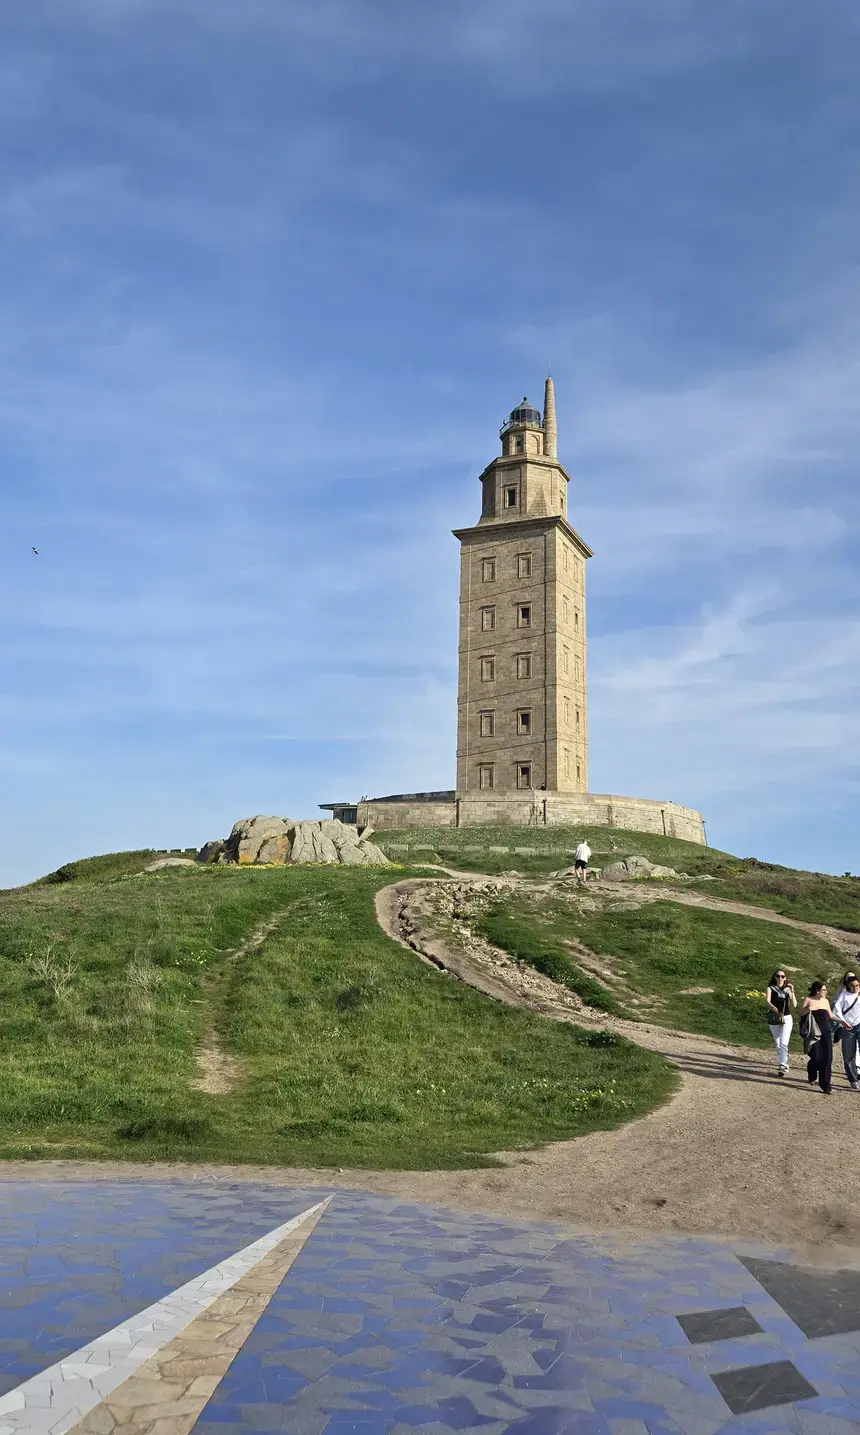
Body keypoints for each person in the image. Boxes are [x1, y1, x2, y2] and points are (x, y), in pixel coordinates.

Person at [800, 981, 834, 1094]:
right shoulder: (808, 999)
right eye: (824, 990)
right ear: (817, 991)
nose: (826, 992)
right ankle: (812, 1072)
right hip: (813, 1032)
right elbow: (801, 1012)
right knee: (816, 1057)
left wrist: (843, 1022)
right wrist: (809, 1009)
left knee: (828, 1058)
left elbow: (831, 1016)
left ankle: (826, 1085)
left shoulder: (825, 1001)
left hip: (825, 1032)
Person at [832, 971, 860, 1090]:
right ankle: (853, 1079)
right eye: (853, 986)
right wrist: (843, 1022)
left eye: (857, 985)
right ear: (848, 985)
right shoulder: (844, 995)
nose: (856, 988)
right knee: (849, 1054)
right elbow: (837, 1010)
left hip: (859, 1024)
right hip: (848, 1027)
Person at [766, 969, 796, 1076]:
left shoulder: (788, 989)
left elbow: (795, 1004)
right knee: (778, 1042)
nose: (780, 978)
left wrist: (792, 991)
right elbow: (767, 1001)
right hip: (774, 1017)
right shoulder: (771, 988)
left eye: (782, 976)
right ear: (775, 977)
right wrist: (771, 1006)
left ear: (785, 978)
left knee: (784, 1042)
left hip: (786, 1017)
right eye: (778, 976)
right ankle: (784, 1060)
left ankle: (783, 1065)